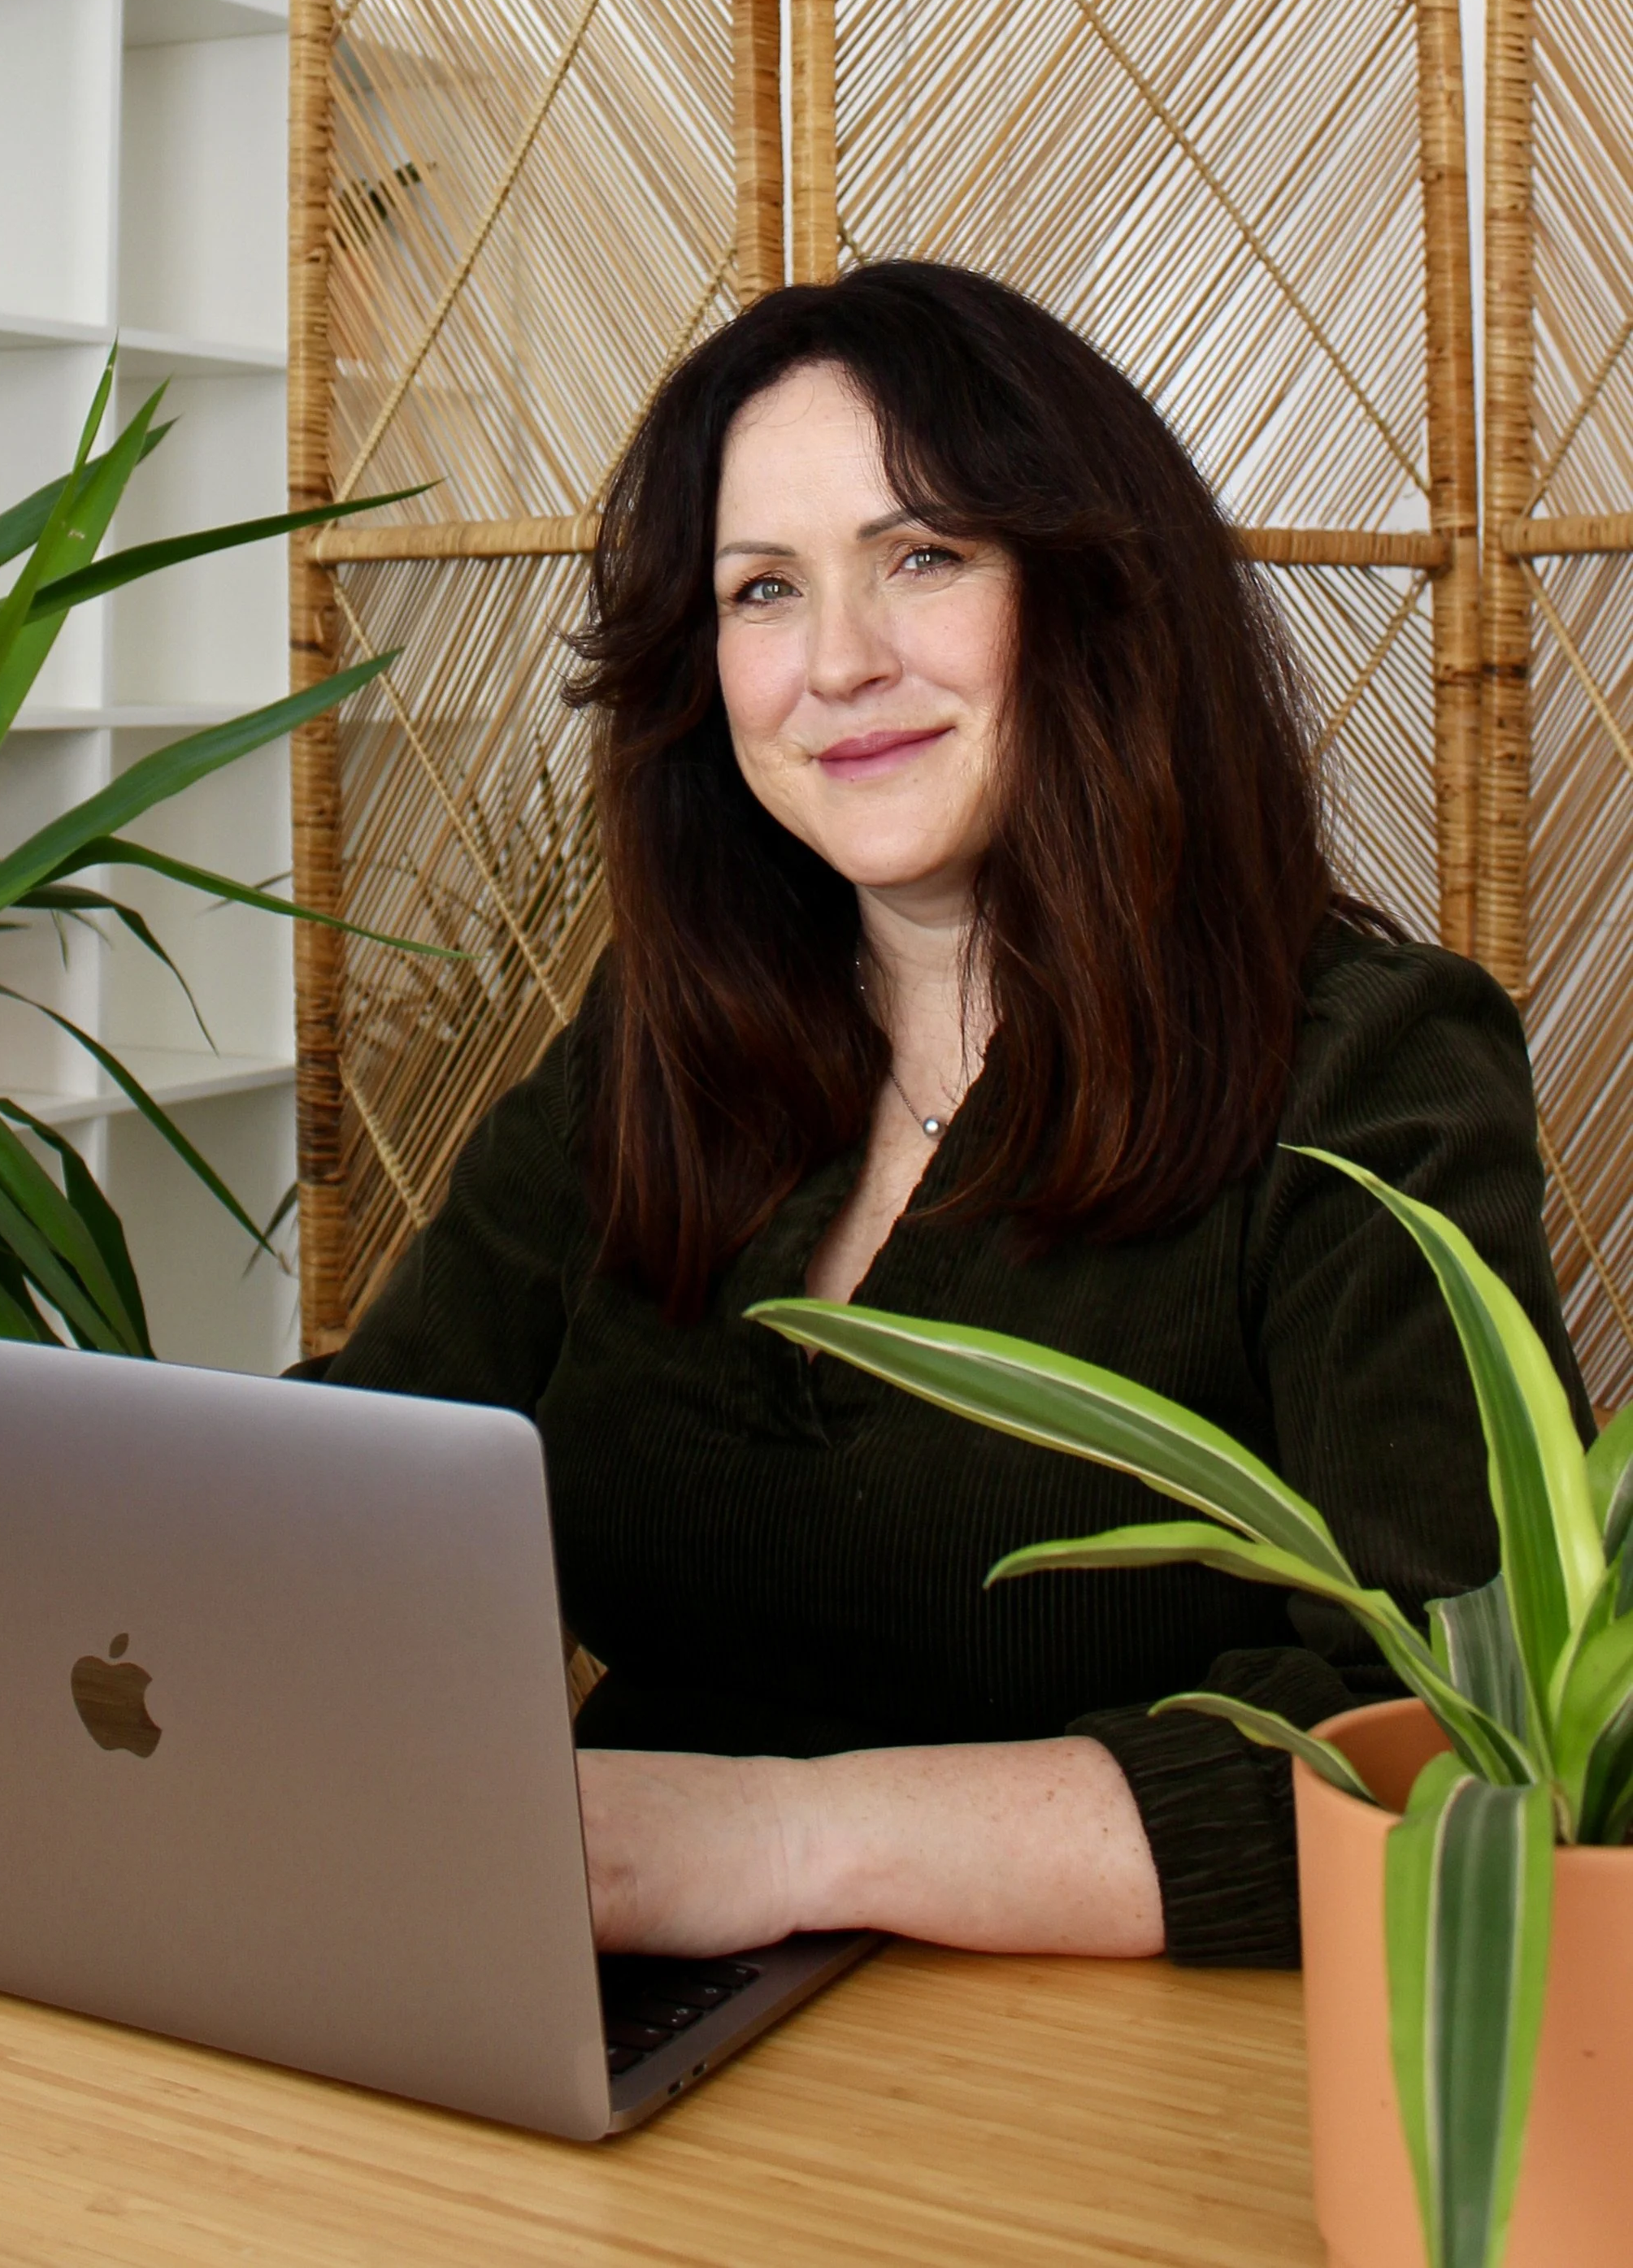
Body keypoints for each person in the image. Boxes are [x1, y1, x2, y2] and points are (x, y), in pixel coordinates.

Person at [317, 261, 1591, 1969]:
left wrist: (770, 1838)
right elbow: (365, 1487)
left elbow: (1462, 1748)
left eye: (921, 556)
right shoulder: (660, 1043)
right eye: (761, 591)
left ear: (1087, 594)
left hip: (1090, 2074)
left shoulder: (1364, 1070)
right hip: (596, 1992)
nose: (837, 662)